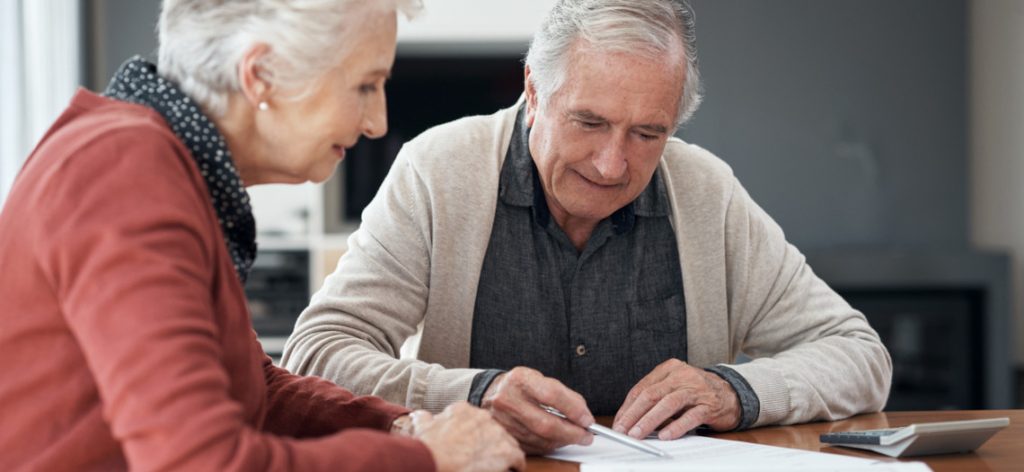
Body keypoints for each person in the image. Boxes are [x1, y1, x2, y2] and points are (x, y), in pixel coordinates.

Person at [282, 0, 892, 456]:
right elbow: (317, 354)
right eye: (590, 122)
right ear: (534, 92)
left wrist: (733, 391)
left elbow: (859, 357)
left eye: (647, 134)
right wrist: (472, 394)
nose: (612, 164)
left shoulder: (706, 190)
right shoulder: (438, 171)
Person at [0, 1, 526, 471]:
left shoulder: (160, 164)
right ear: (260, 76)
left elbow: (251, 384)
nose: (378, 123)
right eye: (365, 86)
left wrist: (396, 426)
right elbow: (203, 460)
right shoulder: (125, 175)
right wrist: (424, 458)